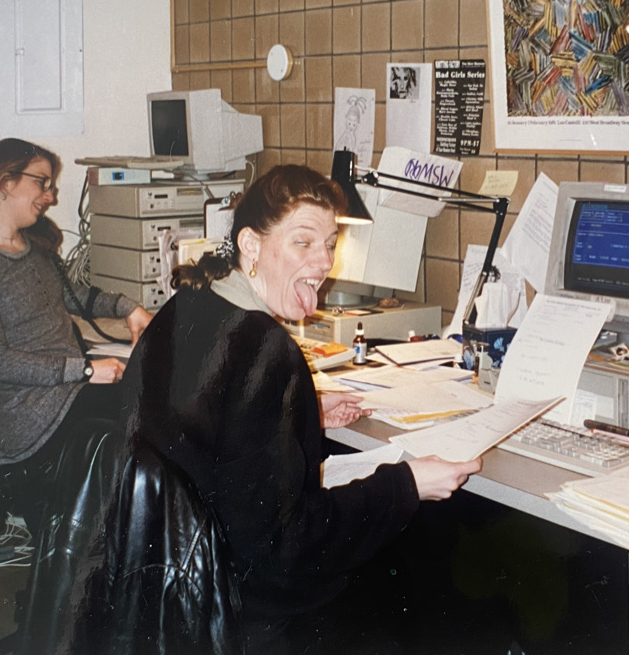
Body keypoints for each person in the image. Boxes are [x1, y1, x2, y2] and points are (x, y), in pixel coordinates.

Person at [121, 164, 482, 653]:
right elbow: (288, 547)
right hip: (248, 610)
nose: (323, 262)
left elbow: (214, 427)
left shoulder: (182, 310)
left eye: (330, 243)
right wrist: (408, 484)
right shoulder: (267, 349)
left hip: (170, 586)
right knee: (419, 577)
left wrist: (298, 412)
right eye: (303, 243)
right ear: (251, 245)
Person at [0, 137, 153, 655]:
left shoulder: (34, 247)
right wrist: (82, 368)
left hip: (68, 393)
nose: (50, 194)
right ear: (5, 182)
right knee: (144, 424)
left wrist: (128, 307)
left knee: (151, 409)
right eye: (42, 182)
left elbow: (77, 296)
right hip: (30, 417)